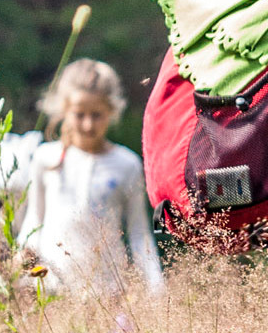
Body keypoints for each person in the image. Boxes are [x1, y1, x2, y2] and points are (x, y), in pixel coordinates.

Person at [18, 59, 163, 296]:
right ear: (64, 109)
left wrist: (156, 289)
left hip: (107, 294)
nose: (88, 124)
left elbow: (139, 233)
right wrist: (22, 267)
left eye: (97, 115)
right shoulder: (45, 158)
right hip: (52, 290)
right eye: (79, 114)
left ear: (112, 111)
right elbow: (34, 219)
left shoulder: (127, 164)